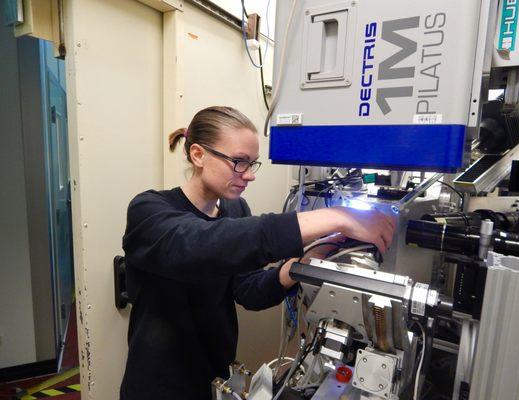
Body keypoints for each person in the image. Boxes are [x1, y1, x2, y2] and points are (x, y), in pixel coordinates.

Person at [119, 106, 395, 400]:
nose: (249, 175)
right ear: (198, 155)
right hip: (158, 385)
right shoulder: (148, 211)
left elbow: (249, 291)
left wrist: (312, 256)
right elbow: (203, 245)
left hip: (215, 379)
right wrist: (337, 216)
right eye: (238, 162)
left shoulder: (235, 211)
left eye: (252, 164)